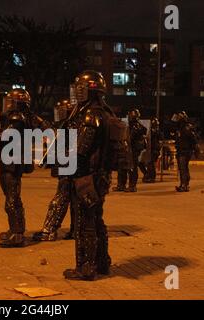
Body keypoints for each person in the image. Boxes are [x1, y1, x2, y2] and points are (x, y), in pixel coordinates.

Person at [63, 70, 119, 281]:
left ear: (89, 91)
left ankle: (86, 267)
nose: (77, 92)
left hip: (87, 176)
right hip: (101, 175)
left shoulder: (90, 115)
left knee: (84, 221)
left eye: (81, 88)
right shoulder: (105, 111)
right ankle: (103, 262)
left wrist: (64, 161)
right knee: (96, 219)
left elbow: (81, 149)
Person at [0, 88, 50, 248]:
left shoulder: (16, 118)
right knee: (12, 197)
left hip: (12, 163)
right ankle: (15, 229)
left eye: (9, 101)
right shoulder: (28, 117)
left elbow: (6, 137)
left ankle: (17, 233)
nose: (6, 104)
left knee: (12, 199)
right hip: (14, 161)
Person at [33, 100, 76, 242]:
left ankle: (50, 230)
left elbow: (58, 146)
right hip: (71, 166)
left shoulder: (69, 126)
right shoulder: (68, 126)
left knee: (61, 198)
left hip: (69, 167)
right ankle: (76, 230)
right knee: (75, 199)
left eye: (62, 110)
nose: (59, 113)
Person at [114, 108, 147, 192]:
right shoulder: (129, 125)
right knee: (122, 167)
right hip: (126, 149)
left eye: (130, 115)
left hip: (133, 150)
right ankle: (121, 185)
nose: (128, 116)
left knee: (132, 168)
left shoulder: (137, 126)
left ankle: (132, 186)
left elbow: (131, 138)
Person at [171, 111, 200, 192]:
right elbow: (172, 127)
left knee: (183, 168)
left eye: (179, 118)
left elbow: (193, 139)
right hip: (182, 150)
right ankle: (185, 185)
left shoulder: (186, 127)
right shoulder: (181, 127)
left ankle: (184, 185)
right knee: (184, 168)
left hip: (185, 151)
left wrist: (195, 149)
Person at [142, 117, 162, 183]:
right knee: (143, 163)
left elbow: (159, 138)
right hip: (149, 149)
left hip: (154, 149)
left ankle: (152, 177)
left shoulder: (157, 131)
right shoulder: (150, 130)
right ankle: (147, 174)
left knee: (151, 164)